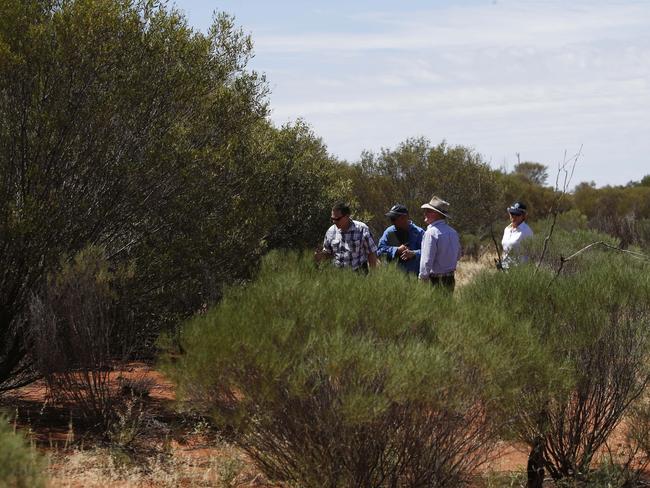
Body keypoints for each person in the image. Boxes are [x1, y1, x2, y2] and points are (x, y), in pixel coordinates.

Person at [315, 202, 378, 271]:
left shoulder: (361, 229)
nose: (334, 221)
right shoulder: (330, 231)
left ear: (347, 216)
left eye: (337, 219)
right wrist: (320, 256)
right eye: (332, 218)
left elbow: (371, 252)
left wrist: (372, 274)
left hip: (359, 273)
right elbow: (328, 253)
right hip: (338, 275)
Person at [418, 196, 461, 290]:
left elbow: (426, 261)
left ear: (436, 214)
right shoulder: (453, 232)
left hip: (434, 281)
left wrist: (422, 279)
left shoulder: (431, 233)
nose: (425, 213)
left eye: (428, 211)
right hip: (450, 280)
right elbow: (458, 256)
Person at [377, 204, 424, 275]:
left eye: (393, 218)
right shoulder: (389, 232)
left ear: (404, 217)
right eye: (391, 219)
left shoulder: (419, 232)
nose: (392, 221)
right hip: (393, 277)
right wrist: (396, 250)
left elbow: (428, 252)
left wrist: (414, 253)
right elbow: (379, 251)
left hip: (414, 277)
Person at [501, 201, 534, 268]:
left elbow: (532, 254)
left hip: (519, 271)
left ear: (523, 216)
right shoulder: (506, 229)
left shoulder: (527, 231)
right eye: (512, 213)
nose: (514, 216)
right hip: (504, 269)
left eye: (518, 214)